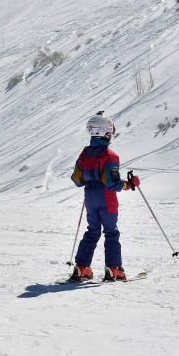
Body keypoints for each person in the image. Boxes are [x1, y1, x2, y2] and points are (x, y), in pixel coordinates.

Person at [68, 113, 140, 282]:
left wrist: (89, 178)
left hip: (90, 198)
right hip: (107, 199)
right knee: (111, 232)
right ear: (105, 132)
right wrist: (130, 184)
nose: (111, 134)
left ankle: (81, 267)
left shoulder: (84, 153)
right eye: (110, 131)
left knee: (92, 231)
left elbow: (77, 179)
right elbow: (112, 183)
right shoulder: (110, 156)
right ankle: (114, 269)